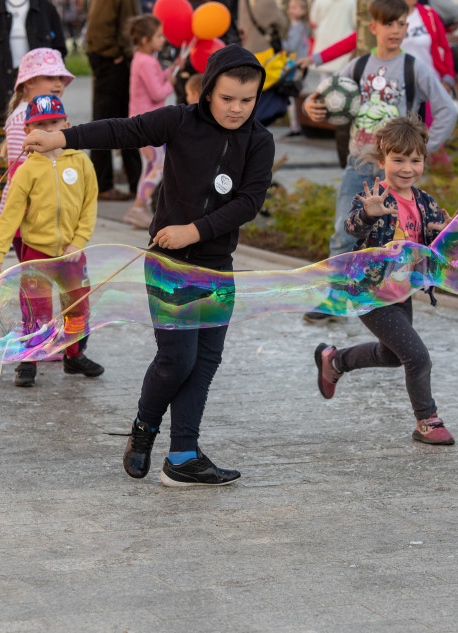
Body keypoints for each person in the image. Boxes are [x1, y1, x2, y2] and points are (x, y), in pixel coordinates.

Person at [23, 43, 275, 486]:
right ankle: (143, 430)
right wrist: (58, 138)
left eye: (247, 100)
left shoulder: (260, 140)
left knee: (206, 360)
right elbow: (122, 130)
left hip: (217, 266)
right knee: (177, 359)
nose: (236, 109)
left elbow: (248, 202)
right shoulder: (180, 121)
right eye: (227, 98)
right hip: (169, 264)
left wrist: (194, 230)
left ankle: (182, 456)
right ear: (208, 90)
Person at [302, 0, 455, 323]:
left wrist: (420, 151)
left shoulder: (415, 68)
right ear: (373, 28)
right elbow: (321, 96)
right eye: (389, 24)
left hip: (396, 174)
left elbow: (447, 110)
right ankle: (336, 299)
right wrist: (309, 107)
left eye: (401, 24)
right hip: (358, 165)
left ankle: (385, 297)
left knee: (395, 237)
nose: (396, 30)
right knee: (344, 232)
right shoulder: (358, 66)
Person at [313, 115, 455, 444]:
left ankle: (335, 360)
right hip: (369, 292)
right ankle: (428, 421)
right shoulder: (374, 197)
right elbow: (350, 229)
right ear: (382, 161)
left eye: (415, 160)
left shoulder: (426, 203)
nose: (407, 168)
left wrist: (445, 236)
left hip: (400, 293)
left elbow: (434, 249)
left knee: (393, 355)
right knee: (417, 357)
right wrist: (367, 214)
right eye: (398, 159)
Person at [0, 95, 104, 387]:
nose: (48, 129)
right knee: (35, 309)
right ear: (29, 132)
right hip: (37, 251)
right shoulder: (27, 169)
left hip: (73, 255)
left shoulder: (81, 162)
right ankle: (29, 361)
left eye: (54, 123)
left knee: (77, 305)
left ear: (66, 124)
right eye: (40, 125)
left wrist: (78, 241)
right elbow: (11, 213)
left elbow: (90, 206)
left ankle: (74, 355)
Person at [0, 0, 66, 207]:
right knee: (4, 169)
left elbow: (60, 49)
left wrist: (52, 81)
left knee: (47, 161)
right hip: (1, 101)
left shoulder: (45, 9)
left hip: (43, 105)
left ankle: (42, 217)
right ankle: (8, 224)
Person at [0, 48, 75, 257]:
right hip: (29, 217)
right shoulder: (21, 117)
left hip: (48, 215)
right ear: (29, 82)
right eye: (50, 77)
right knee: (36, 284)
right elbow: (19, 173)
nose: (58, 83)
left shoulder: (49, 113)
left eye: (60, 77)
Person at [124, 14, 182, 229]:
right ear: (145, 40)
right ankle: (139, 206)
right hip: (148, 126)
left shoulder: (143, 59)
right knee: (157, 167)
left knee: (152, 166)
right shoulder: (146, 62)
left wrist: (171, 69)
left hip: (146, 123)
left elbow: (156, 80)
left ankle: (142, 206)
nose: (163, 40)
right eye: (158, 36)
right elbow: (158, 92)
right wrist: (172, 83)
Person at [83, 0, 140, 201]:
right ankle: (102, 184)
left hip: (119, 61)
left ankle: (136, 183)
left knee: (128, 122)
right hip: (111, 63)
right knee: (104, 123)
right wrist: (117, 55)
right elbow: (98, 31)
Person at [401, 0, 454, 94]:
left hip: (431, 82)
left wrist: (447, 79)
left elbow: (444, 47)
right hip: (402, 84)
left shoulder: (429, 14)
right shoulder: (389, 16)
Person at [282, 0, 310, 137]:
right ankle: (300, 124)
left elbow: (291, 46)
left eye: (294, 7)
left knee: (293, 95)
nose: (290, 10)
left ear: (303, 10)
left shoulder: (298, 26)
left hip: (296, 64)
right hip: (301, 64)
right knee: (298, 94)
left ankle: (296, 127)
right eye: (290, 7)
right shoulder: (304, 26)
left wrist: (278, 43)